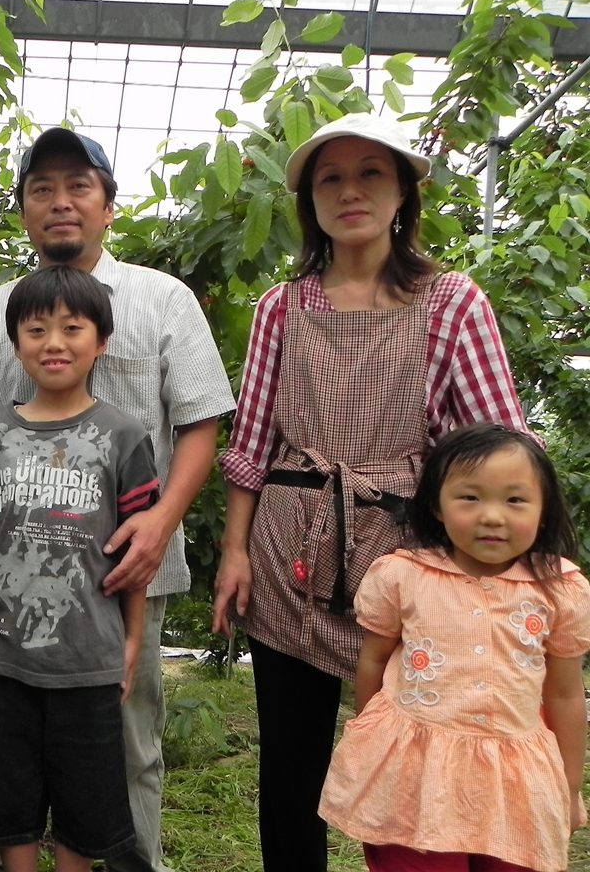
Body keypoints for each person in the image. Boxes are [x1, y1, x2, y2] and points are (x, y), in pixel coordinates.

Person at [211, 113, 533, 872]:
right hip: (289, 555)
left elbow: (501, 451)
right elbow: (252, 444)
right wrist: (234, 551)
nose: (349, 191)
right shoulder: (279, 308)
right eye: (330, 178)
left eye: (369, 174)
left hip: (409, 566)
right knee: (288, 767)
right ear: (310, 202)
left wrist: (493, 571)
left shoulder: (452, 301)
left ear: (401, 195)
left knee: (413, 753)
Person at [0, 128, 234, 872]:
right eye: (42, 189)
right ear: (23, 212)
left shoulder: (161, 299)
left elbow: (201, 419)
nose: (61, 202)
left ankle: (134, 862)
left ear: (110, 204)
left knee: (127, 735)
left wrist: (159, 519)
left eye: (79, 185)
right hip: (19, 578)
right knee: (15, 741)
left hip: (123, 569)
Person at [319, 423, 590, 872]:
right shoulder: (402, 575)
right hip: (414, 776)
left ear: (543, 511)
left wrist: (568, 784)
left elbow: (564, 693)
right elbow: (374, 659)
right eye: (470, 497)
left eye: (515, 499)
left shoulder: (560, 589)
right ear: (436, 506)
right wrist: (367, 738)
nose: (492, 516)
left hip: (516, 782)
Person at [0, 265, 158, 872]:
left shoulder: (123, 436)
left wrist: (128, 642)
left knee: (86, 804)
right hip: (4, 657)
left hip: (86, 660)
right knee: (8, 801)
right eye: (36, 329)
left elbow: (135, 557)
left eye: (72, 328)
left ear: (100, 342)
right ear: (15, 344)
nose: (53, 342)